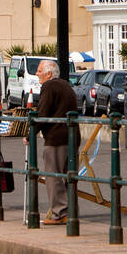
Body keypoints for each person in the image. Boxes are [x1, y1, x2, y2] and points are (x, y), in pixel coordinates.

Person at [31, 59, 78, 225]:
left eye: (39, 71)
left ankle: (61, 213)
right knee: (68, 175)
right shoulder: (65, 85)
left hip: (56, 137)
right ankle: (70, 211)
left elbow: (43, 112)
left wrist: (31, 132)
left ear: (49, 73)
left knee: (53, 176)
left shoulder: (49, 86)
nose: (37, 74)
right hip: (71, 136)